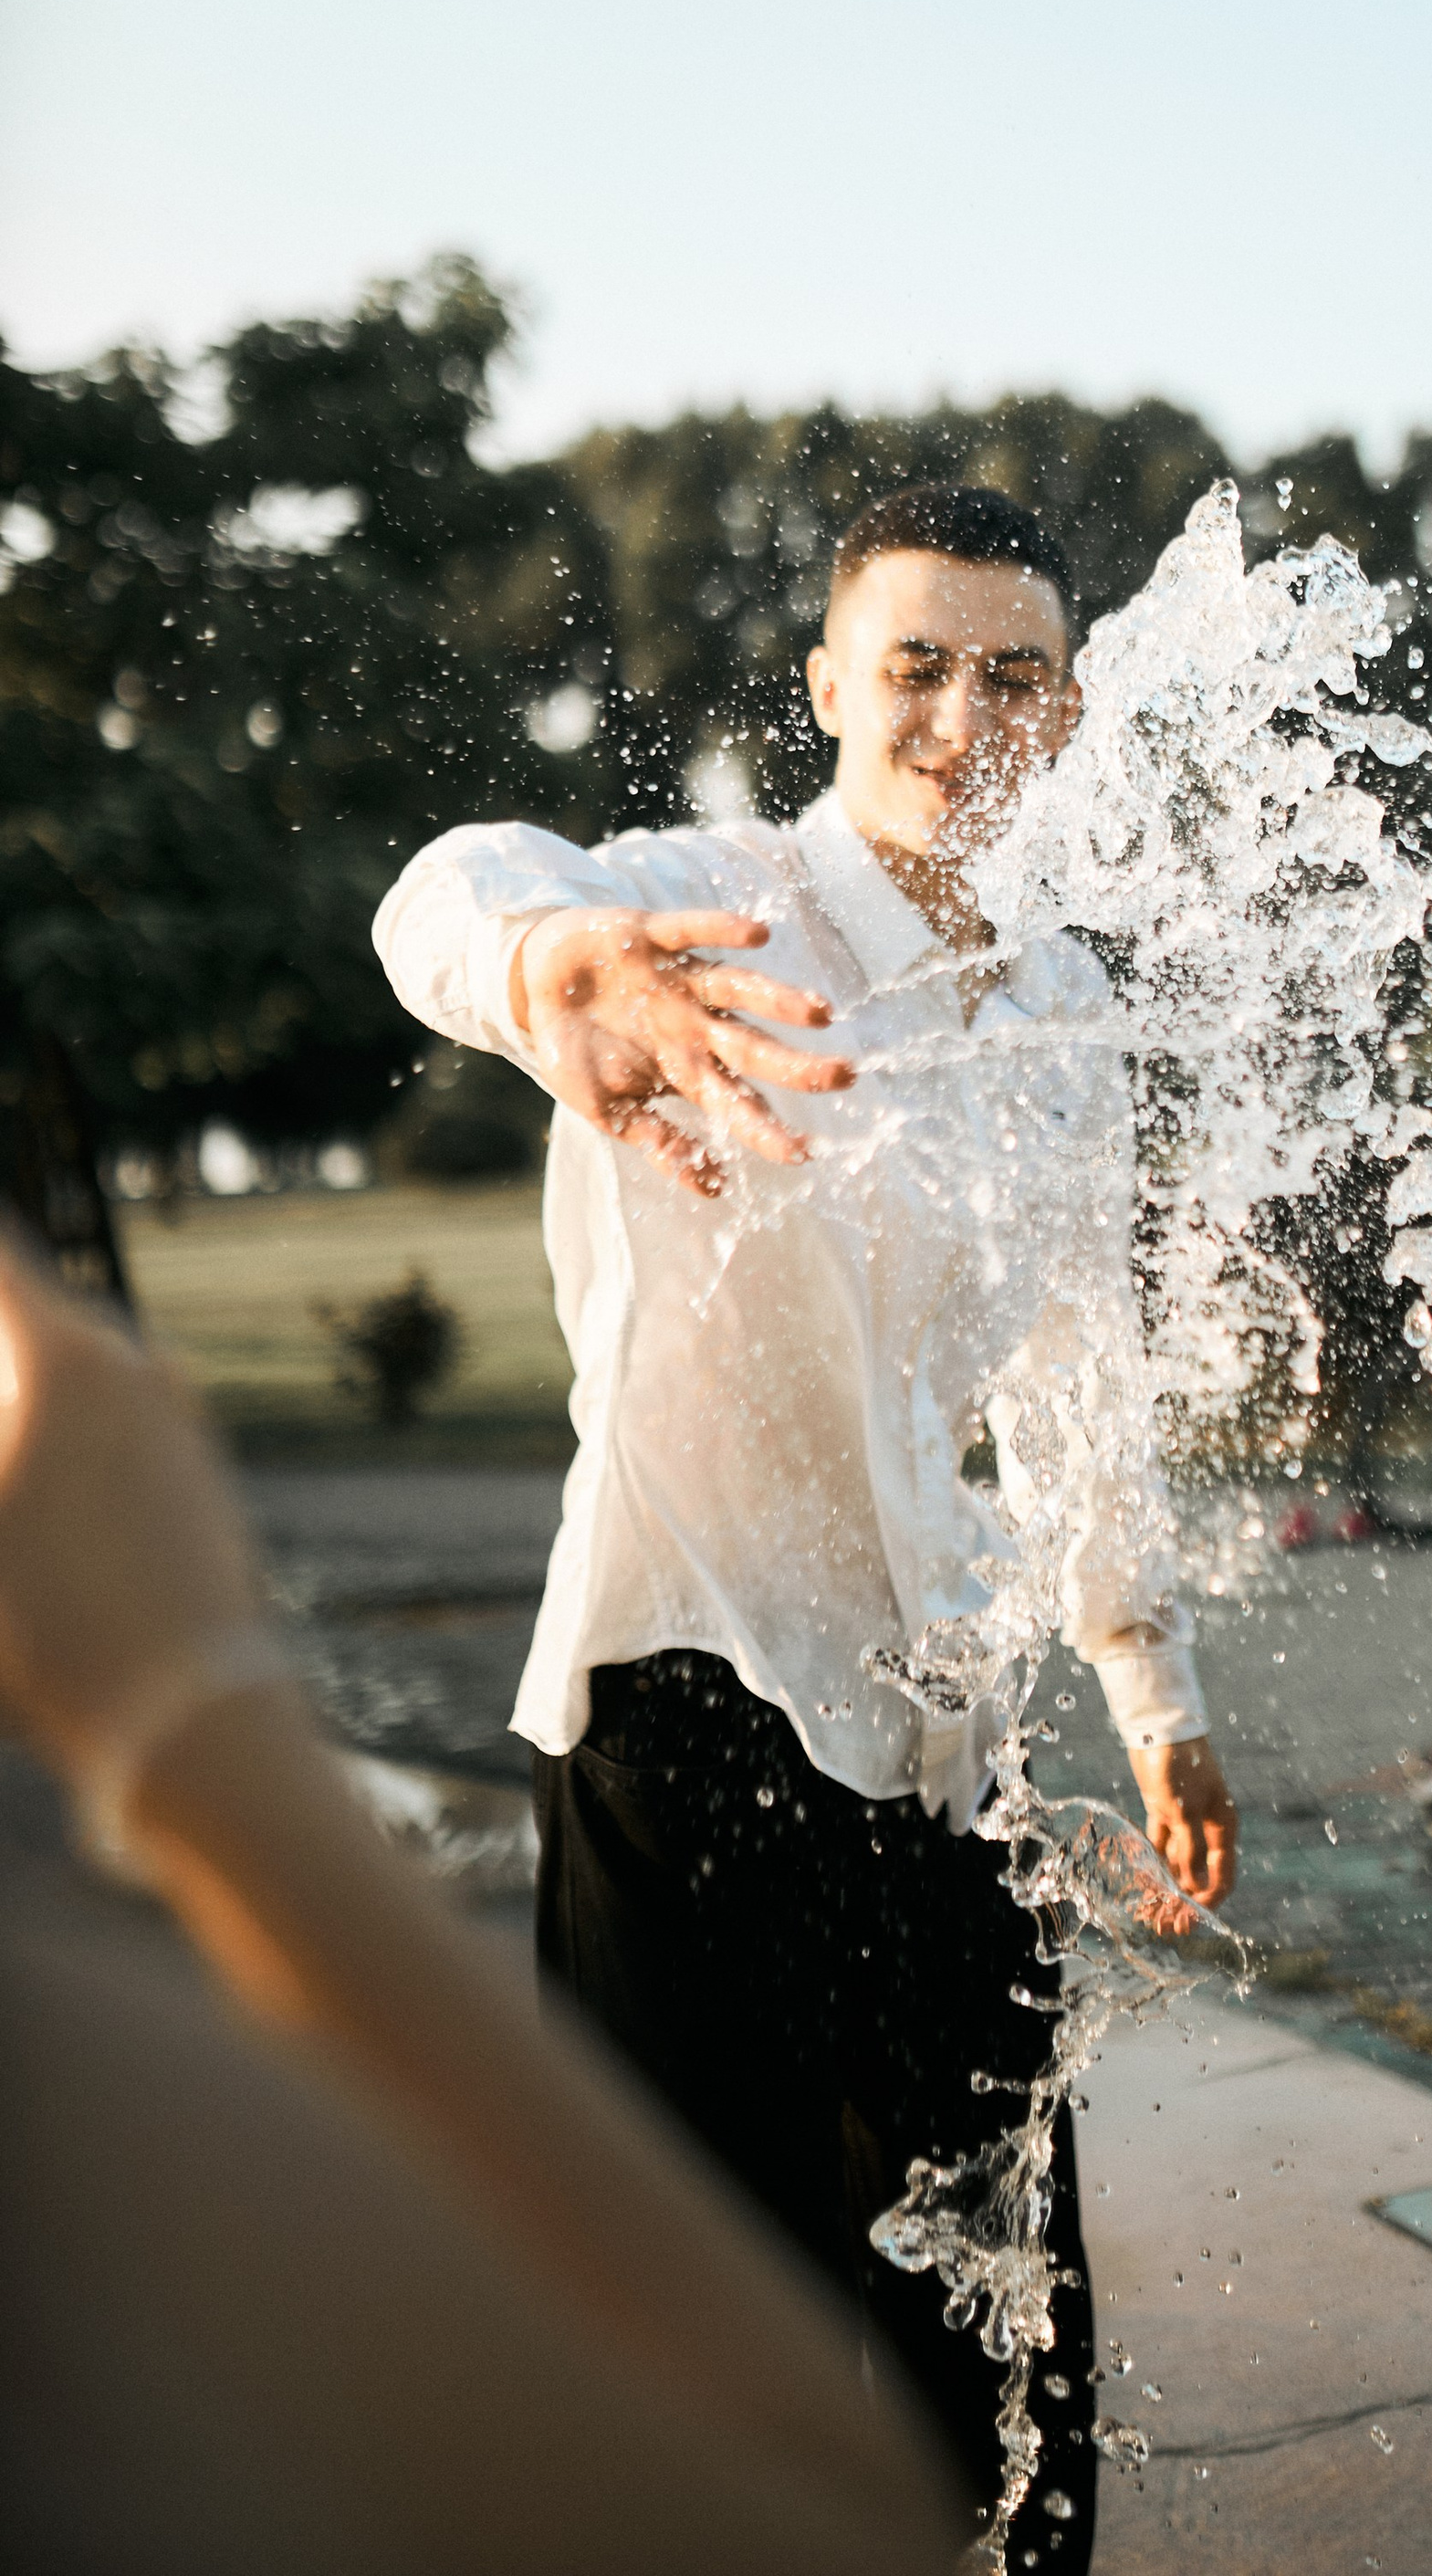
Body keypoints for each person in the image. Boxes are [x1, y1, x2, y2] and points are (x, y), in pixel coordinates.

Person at [373, 481, 1239, 2572]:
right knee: (684, 2328)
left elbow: (1069, 1380)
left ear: (1067, 704)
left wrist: (1150, 1687)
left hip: (946, 1729)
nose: (960, 710)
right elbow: (442, 895)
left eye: (1010, 669)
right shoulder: (698, 901)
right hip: (685, 1707)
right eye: (916, 661)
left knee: (999, 2326)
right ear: (832, 681)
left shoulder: (1057, 1009)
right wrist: (546, 959)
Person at [0, 1235, 958, 2573]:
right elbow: (829, 2524)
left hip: (931, 1718)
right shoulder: (58, 2109)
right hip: (672, 1675)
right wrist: (196, 1739)